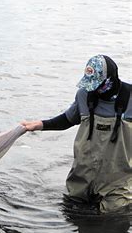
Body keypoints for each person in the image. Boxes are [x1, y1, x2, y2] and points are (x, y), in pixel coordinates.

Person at [21, 55, 131, 212]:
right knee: (71, 214)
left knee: (111, 219)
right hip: (81, 178)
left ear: (111, 79)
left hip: (117, 183)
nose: (93, 89)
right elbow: (68, 119)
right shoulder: (84, 95)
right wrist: (40, 125)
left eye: (97, 84)